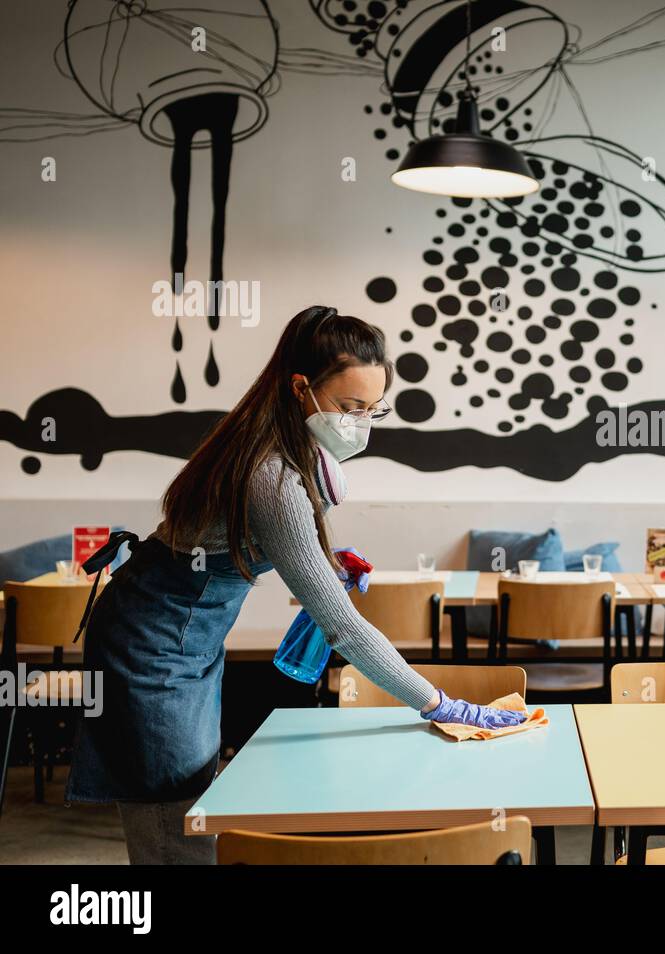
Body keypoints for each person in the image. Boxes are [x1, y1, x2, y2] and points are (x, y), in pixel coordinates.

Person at [64, 305, 526, 864]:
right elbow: (345, 631)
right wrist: (440, 704)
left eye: (373, 409)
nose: (361, 422)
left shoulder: (269, 439)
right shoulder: (273, 477)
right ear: (301, 388)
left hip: (182, 631)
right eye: (350, 407)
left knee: (195, 795)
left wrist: (320, 556)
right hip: (153, 644)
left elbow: (234, 539)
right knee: (175, 821)